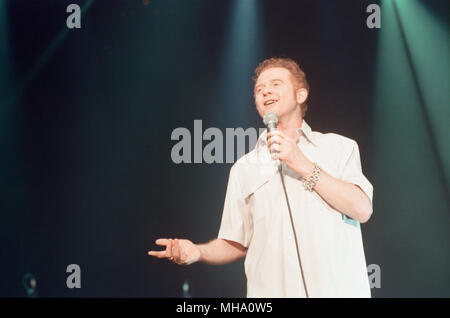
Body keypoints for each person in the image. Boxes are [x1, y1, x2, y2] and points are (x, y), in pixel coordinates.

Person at [148, 57, 374, 297]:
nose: (265, 90)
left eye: (275, 84)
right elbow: (235, 242)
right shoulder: (244, 168)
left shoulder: (339, 148)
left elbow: (362, 209)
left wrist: (302, 163)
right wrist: (198, 251)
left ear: (301, 95)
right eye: (259, 89)